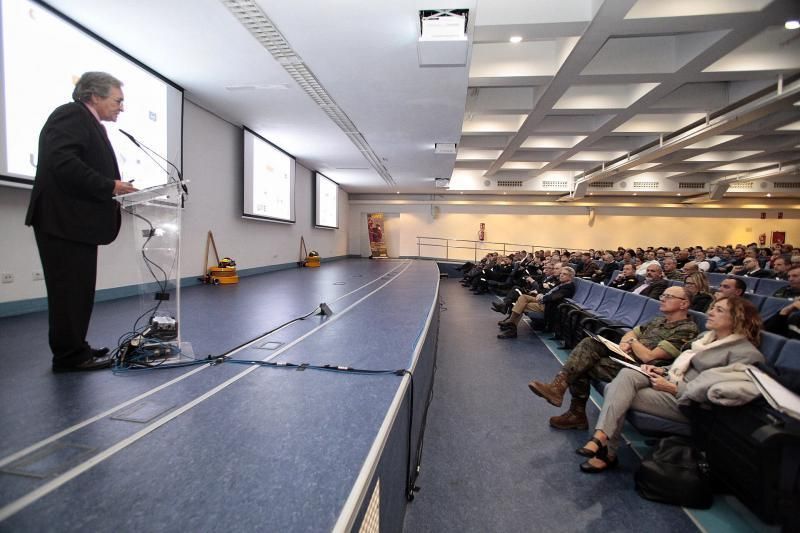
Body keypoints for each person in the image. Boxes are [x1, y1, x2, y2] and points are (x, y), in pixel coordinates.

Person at [25, 72, 137, 372]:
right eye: (118, 100)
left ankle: (76, 348)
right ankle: (68, 356)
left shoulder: (88, 122)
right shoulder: (69, 115)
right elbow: (63, 163)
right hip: (63, 223)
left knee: (78, 290)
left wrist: (111, 187)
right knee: (68, 291)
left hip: (74, 224)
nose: (121, 108)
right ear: (95, 96)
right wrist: (109, 186)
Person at [576, 296, 764, 473]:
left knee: (613, 390)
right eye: (712, 308)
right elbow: (682, 365)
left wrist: (673, 388)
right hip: (670, 383)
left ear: (737, 318)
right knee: (627, 374)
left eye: (719, 310)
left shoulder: (745, 353)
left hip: (690, 403)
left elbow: (720, 392)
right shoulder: (705, 338)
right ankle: (601, 438)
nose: (711, 312)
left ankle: (606, 450)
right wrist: (662, 370)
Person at [527, 286, 699, 429]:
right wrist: (628, 342)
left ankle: (573, 409)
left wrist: (631, 342)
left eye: (669, 296)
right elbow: (631, 333)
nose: (663, 299)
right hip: (627, 359)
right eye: (663, 295)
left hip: (642, 372)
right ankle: (564, 395)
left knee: (584, 364)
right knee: (589, 344)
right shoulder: (658, 320)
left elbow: (649, 357)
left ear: (684, 304)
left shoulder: (687, 329)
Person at [497, 267, 575, 339]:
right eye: (561, 273)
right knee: (523, 297)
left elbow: (554, 297)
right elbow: (550, 293)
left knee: (522, 305)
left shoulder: (568, 287)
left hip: (548, 306)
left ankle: (511, 327)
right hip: (545, 301)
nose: (561, 275)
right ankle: (511, 325)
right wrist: (541, 294)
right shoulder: (561, 284)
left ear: (571, 277)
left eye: (564, 274)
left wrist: (543, 297)